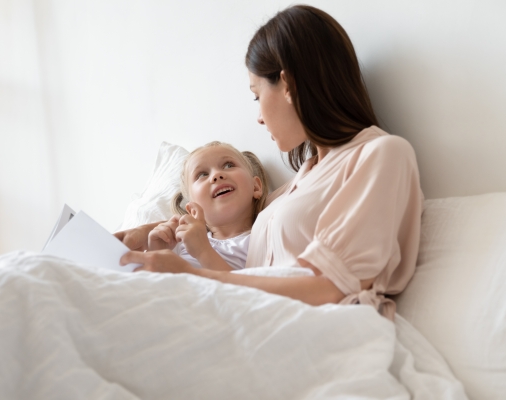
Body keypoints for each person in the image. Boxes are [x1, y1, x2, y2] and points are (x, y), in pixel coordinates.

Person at [115, 5, 423, 320]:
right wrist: (146, 231)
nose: (259, 118)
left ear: (287, 86)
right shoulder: (299, 182)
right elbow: (231, 226)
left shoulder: (382, 154)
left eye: (256, 95)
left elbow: (332, 288)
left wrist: (192, 276)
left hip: (310, 326)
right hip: (251, 319)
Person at [148, 141, 270, 271]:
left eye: (229, 165)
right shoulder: (180, 243)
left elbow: (250, 289)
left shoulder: (265, 238)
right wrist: (158, 253)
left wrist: (203, 251)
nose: (216, 175)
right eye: (202, 175)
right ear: (192, 210)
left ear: (255, 187)